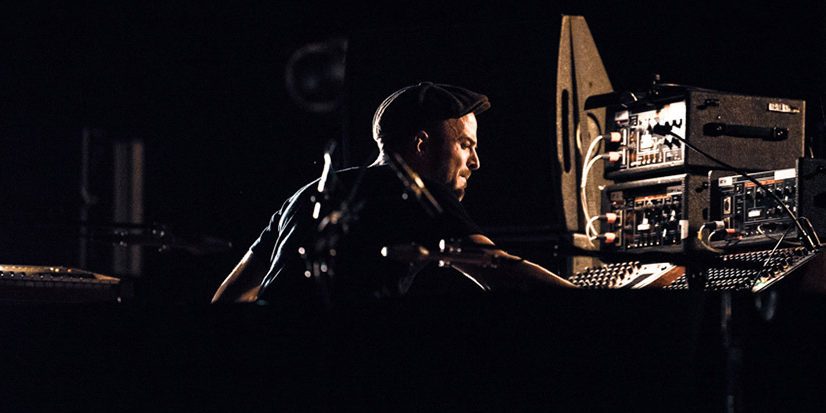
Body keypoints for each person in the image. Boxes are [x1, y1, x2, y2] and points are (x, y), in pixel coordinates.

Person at [212, 82, 574, 303]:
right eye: (465, 145)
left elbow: (229, 296)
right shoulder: (416, 193)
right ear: (421, 144)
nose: (475, 162)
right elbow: (501, 272)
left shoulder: (303, 196)